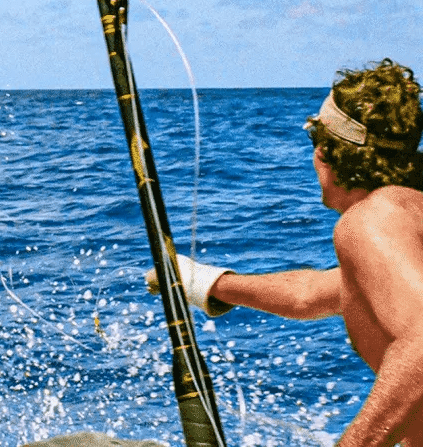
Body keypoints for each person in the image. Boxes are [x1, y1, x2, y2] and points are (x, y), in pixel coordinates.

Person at [148, 59, 423, 447]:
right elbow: (309, 294)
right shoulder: (408, 215)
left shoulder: (368, 221)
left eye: (314, 140)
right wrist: (204, 282)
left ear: (329, 151)